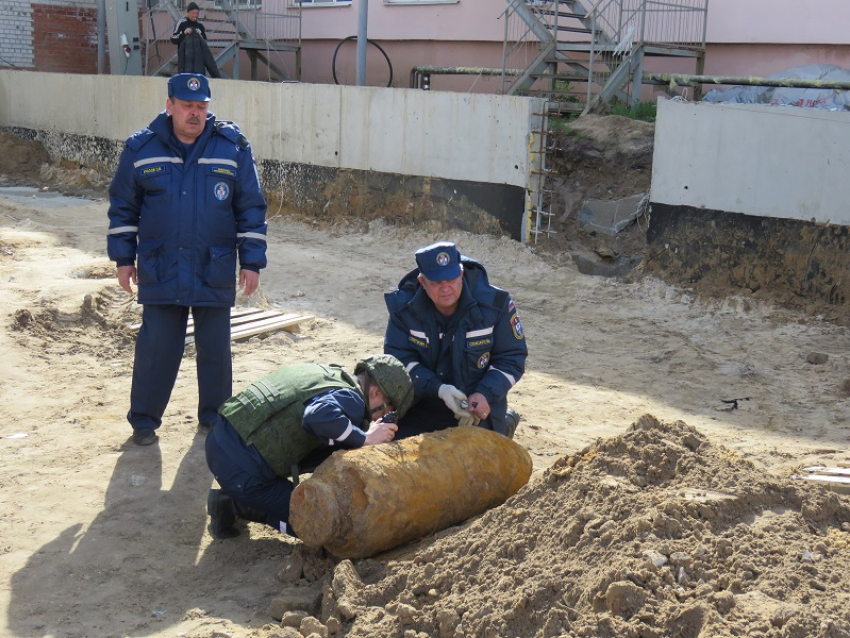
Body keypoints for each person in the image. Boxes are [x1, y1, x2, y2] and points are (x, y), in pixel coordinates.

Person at [107, 73, 268, 446]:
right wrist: (122, 259)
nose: (195, 114)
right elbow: (123, 207)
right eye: (187, 106)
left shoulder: (232, 147)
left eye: (201, 107)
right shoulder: (141, 149)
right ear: (170, 106)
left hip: (214, 265)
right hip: (161, 264)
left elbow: (251, 207)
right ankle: (144, 422)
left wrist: (251, 262)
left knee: (215, 350)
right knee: (157, 349)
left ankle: (214, 419)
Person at [204, 354, 414, 539]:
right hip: (240, 469)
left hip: (222, 440)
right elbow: (317, 416)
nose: (381, 419)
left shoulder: (333, 374)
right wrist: (366, 439)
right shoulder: (353, 400)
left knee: (341, 439)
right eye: (387, 412)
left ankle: (237, 498)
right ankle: (237, 504)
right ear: (376, 393)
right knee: (317, 525)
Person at [384, 241, 527, 439]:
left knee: (478, 466)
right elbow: (398, 360)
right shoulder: (404, 309)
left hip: (476, 406)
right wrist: (438, 389)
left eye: (451, 279)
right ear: (422, 282)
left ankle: (503, 426)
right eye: (436, 283)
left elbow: (511, 357)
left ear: (461, 274)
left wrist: (484, 393)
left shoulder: (496, 305)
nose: (445, 288)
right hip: (423, 404)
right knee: (395, 455)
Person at [170, 2, 221, 78]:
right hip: (185, 60)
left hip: (199, 61)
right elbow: (173, 38)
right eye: (193, 13)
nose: (195, 15)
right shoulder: (182, 23)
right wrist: (184, 34)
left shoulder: (200, 26)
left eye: (197, 13)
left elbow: (204, 43)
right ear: (188, 12)